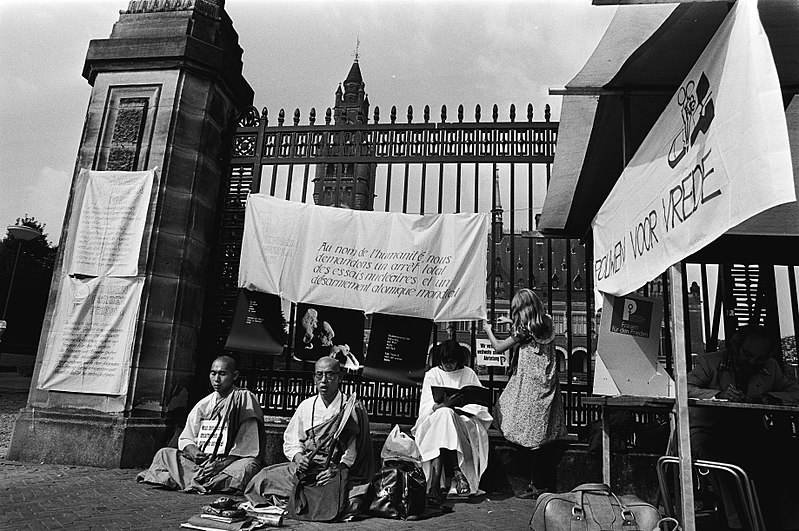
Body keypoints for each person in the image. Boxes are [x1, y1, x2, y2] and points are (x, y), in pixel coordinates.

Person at [687, 324, 799, 530]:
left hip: (750, 434)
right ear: (736, 347)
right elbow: (684, 387)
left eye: (760, 358)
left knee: (789, 454)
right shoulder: (708, 362)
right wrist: (717, 395)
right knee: (719, 461)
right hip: (708, 431)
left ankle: (788, 522)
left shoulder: (771, 367)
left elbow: (795, 391)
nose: (753, 362)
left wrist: (771, 397)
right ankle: (738, 522)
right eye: (748, 355)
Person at [245, 357, 374, 521]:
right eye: (319, 375)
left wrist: (337, 469)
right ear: (314, 378)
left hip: (333, 471)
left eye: (330, 375)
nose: (323, 381)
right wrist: (299, 458)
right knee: (262, 478)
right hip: (305, 469)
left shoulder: (350, 408)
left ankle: (299, 500)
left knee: (352, 499)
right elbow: (291, 441)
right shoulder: (306, 406)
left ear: (340, 377)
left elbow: (352, 451)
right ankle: (306, 500)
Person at [483, 288, 567, 499]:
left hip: (529, 385)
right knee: (541, 432)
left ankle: (539, 485)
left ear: (523, 309)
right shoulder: (546, 321)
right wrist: (511, 324)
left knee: (510, 415)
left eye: (515, 311)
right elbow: (532, 334)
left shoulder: (523, 331)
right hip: (546, 384)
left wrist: (488, 330)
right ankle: (539, 483)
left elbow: (499, 347)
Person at [137, 355, 265, 494]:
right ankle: (206, 481)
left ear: (234, 375)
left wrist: (221, 464)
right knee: (164, 454)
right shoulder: (204, 404)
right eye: (213, 373)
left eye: (222, 374)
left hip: (230, 463)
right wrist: (193, 451)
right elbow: (187, 436)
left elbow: (248, 444)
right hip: (203, 463)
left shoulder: (244, 399)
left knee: (248, 467)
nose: (216, 379)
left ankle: (190, 479)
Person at [412, 340, 493, 506]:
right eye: (445, 361)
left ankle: (434, 486)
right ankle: (457, 472)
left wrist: (459, 408)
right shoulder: (433, 374)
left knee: (446, 417)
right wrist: (443, 406)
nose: (448, 365)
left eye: (452, 361)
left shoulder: (468, 374)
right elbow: (426, 407)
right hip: (436, 419)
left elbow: (478, 404)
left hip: (464, 421)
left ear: (459, 360)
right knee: (444, 415)